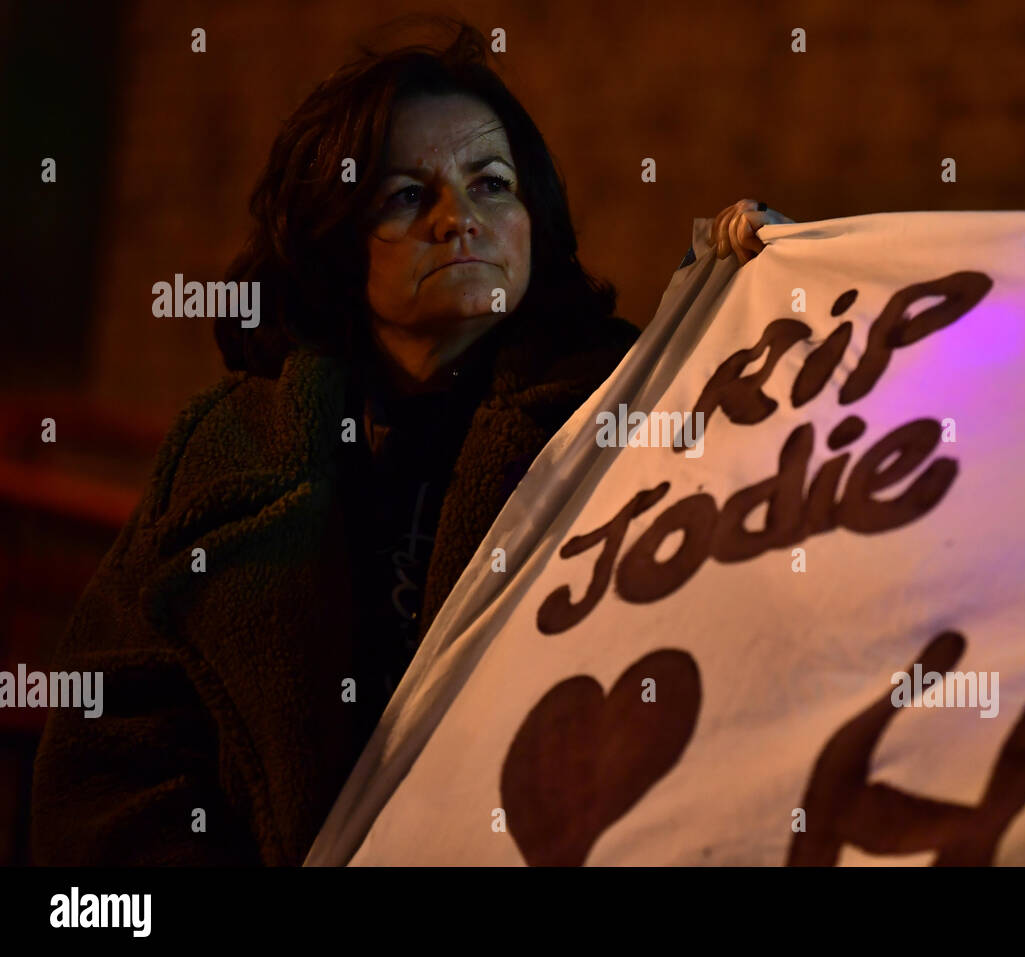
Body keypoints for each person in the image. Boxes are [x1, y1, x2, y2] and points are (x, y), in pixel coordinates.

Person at [30, 19, 793, 866]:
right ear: (331, 243)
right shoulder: (232, 449)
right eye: (405, 197)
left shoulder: (631, 410)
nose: (458, 219)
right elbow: (110, 752)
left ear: (535, 216)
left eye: (491, 184)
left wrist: (777, 300)